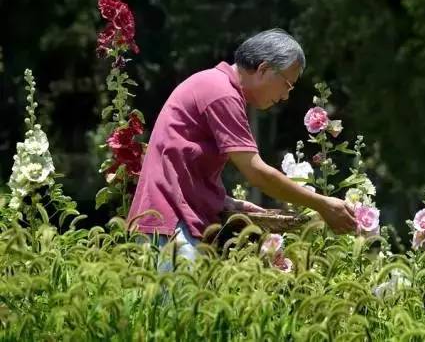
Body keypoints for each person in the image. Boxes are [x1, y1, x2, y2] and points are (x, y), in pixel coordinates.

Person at [127, 28, 356, 263]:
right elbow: (256, 173)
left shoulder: (216, 86)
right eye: (288, 84)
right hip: (171, 225)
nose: (286, 96)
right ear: (264, 69)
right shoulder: (221, 93)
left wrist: (226, 202)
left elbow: (180, 162)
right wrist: (322, 204)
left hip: (171, 222)